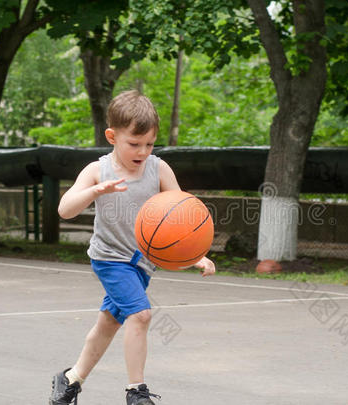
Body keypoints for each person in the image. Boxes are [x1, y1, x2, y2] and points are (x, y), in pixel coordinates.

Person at [49, 90, 216, 405]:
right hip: (110, 259)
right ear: (112, 136)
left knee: (109, 323)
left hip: (142, 263)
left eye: (149, 144)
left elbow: (182, 218)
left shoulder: (159, 169)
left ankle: (70, 379)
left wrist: (197, 255)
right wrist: (94, 190)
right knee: (140, 315)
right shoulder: (98, 170)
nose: (142, 151)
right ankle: (136, 392)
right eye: (134, 144)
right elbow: (65, 209)